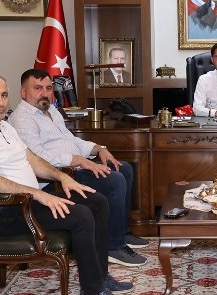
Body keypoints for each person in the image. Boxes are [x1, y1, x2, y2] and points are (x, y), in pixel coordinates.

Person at [0, 72, 134, 295]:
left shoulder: (4, 127)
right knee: (81, 215)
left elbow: (33, 160)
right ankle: (92, 292)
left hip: (25, 203)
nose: (0, 102)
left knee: (96, 201)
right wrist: (39, 194)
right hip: (2, 212)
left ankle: (99, 277)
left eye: (4, 95)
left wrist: (62, 177)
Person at [9, 68, 148, 268]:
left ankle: (121, 233)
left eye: (48, 88)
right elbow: (37, 157)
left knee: (122, 168)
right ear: (23, 93)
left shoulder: (51, 111)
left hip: (74, 168)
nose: (45, 93)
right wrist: (79, 160)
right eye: (38, 88)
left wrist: (99, 149)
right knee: (114, 179)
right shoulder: (22, 118)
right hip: (57, 179)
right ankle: (113, 246)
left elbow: (72, 140)